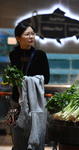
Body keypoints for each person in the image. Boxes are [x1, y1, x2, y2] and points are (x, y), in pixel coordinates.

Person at [9, 22, 50, 150]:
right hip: (16, 102)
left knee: (35, 136)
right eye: (27, 34)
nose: (31, 37)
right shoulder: (13, 55)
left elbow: (46, 79)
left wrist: (26, 81)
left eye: (33, 33)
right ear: (18, 38)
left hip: (35, 103)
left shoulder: (40, 55)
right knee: (18, 136)